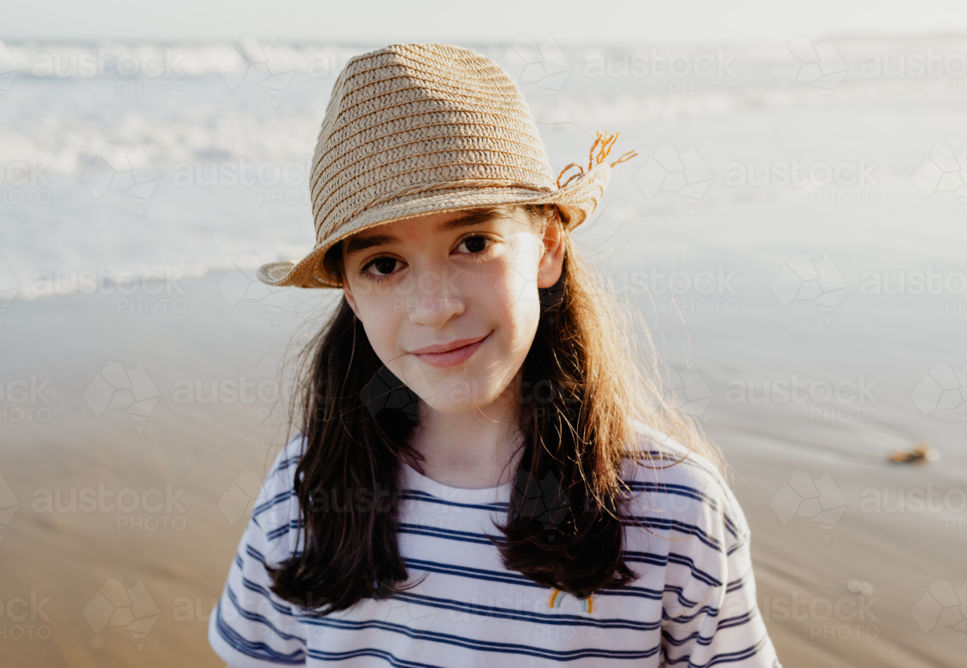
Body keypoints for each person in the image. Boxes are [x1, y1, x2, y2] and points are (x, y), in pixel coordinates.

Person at [208, 42, 781, 667]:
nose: (435, 306)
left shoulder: (673, 511)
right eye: (383, 264)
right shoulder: (306, 494)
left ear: (546, 247)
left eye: (473, 242)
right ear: (350, 292)